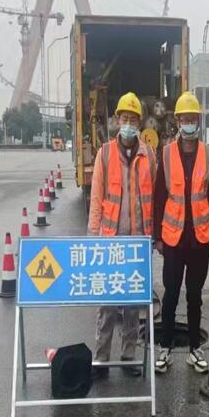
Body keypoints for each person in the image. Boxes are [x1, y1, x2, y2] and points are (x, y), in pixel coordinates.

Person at [88, 92, 156, 379]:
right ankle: (101, 358)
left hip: (138, 241)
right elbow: (96, 199)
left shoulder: (148, 155)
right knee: (106, 304)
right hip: (109, 240)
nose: (128, 124)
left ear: (139, 124)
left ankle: (129, 356)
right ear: (117, 121)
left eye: (133, 119)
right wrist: (94, 238)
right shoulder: (104, 154)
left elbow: (154, 196)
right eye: (124, 118)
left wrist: (152, 238)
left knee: (132, 303)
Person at [153, 92, 209, 374]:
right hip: (173, 238)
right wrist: (157, 235)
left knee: (195, 295)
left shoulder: (208, 153)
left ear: (198, 122)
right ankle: (165, 348)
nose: (189, 123)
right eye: (185, 118)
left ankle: (194, 348)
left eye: (193, 119)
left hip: (200, 239)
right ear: (177, 121)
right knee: (170, 294)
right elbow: (159, 196)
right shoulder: (167, 153)